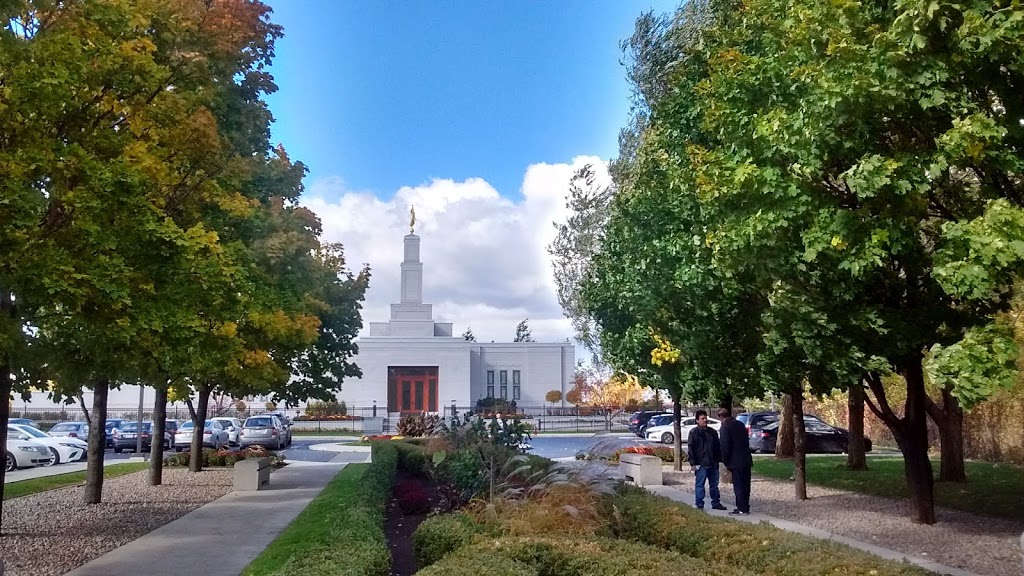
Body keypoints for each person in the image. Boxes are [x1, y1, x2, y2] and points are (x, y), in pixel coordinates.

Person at [686, 409, 726, 511]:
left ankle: (716, 502)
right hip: (701, 463)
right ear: (697, 420)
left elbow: (717, 447)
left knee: (714, 485)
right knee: (700, 485)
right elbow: (691, 448)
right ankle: (699, 504)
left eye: (705, 418)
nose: (705, 420)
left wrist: (719, 459)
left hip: (713, 462)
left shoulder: (712, 432)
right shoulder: (694, 433)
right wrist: (693, 463)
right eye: (702, 418)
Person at [718, 407, 753, 515]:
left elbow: (725, 446)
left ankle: (741, 508)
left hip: (735, 461)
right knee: (746, 485)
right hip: (746, 459)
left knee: (738, 486)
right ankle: (745, 506)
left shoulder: (725, 427)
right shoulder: (740, 424)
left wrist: (725, 460)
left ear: (721, 417)